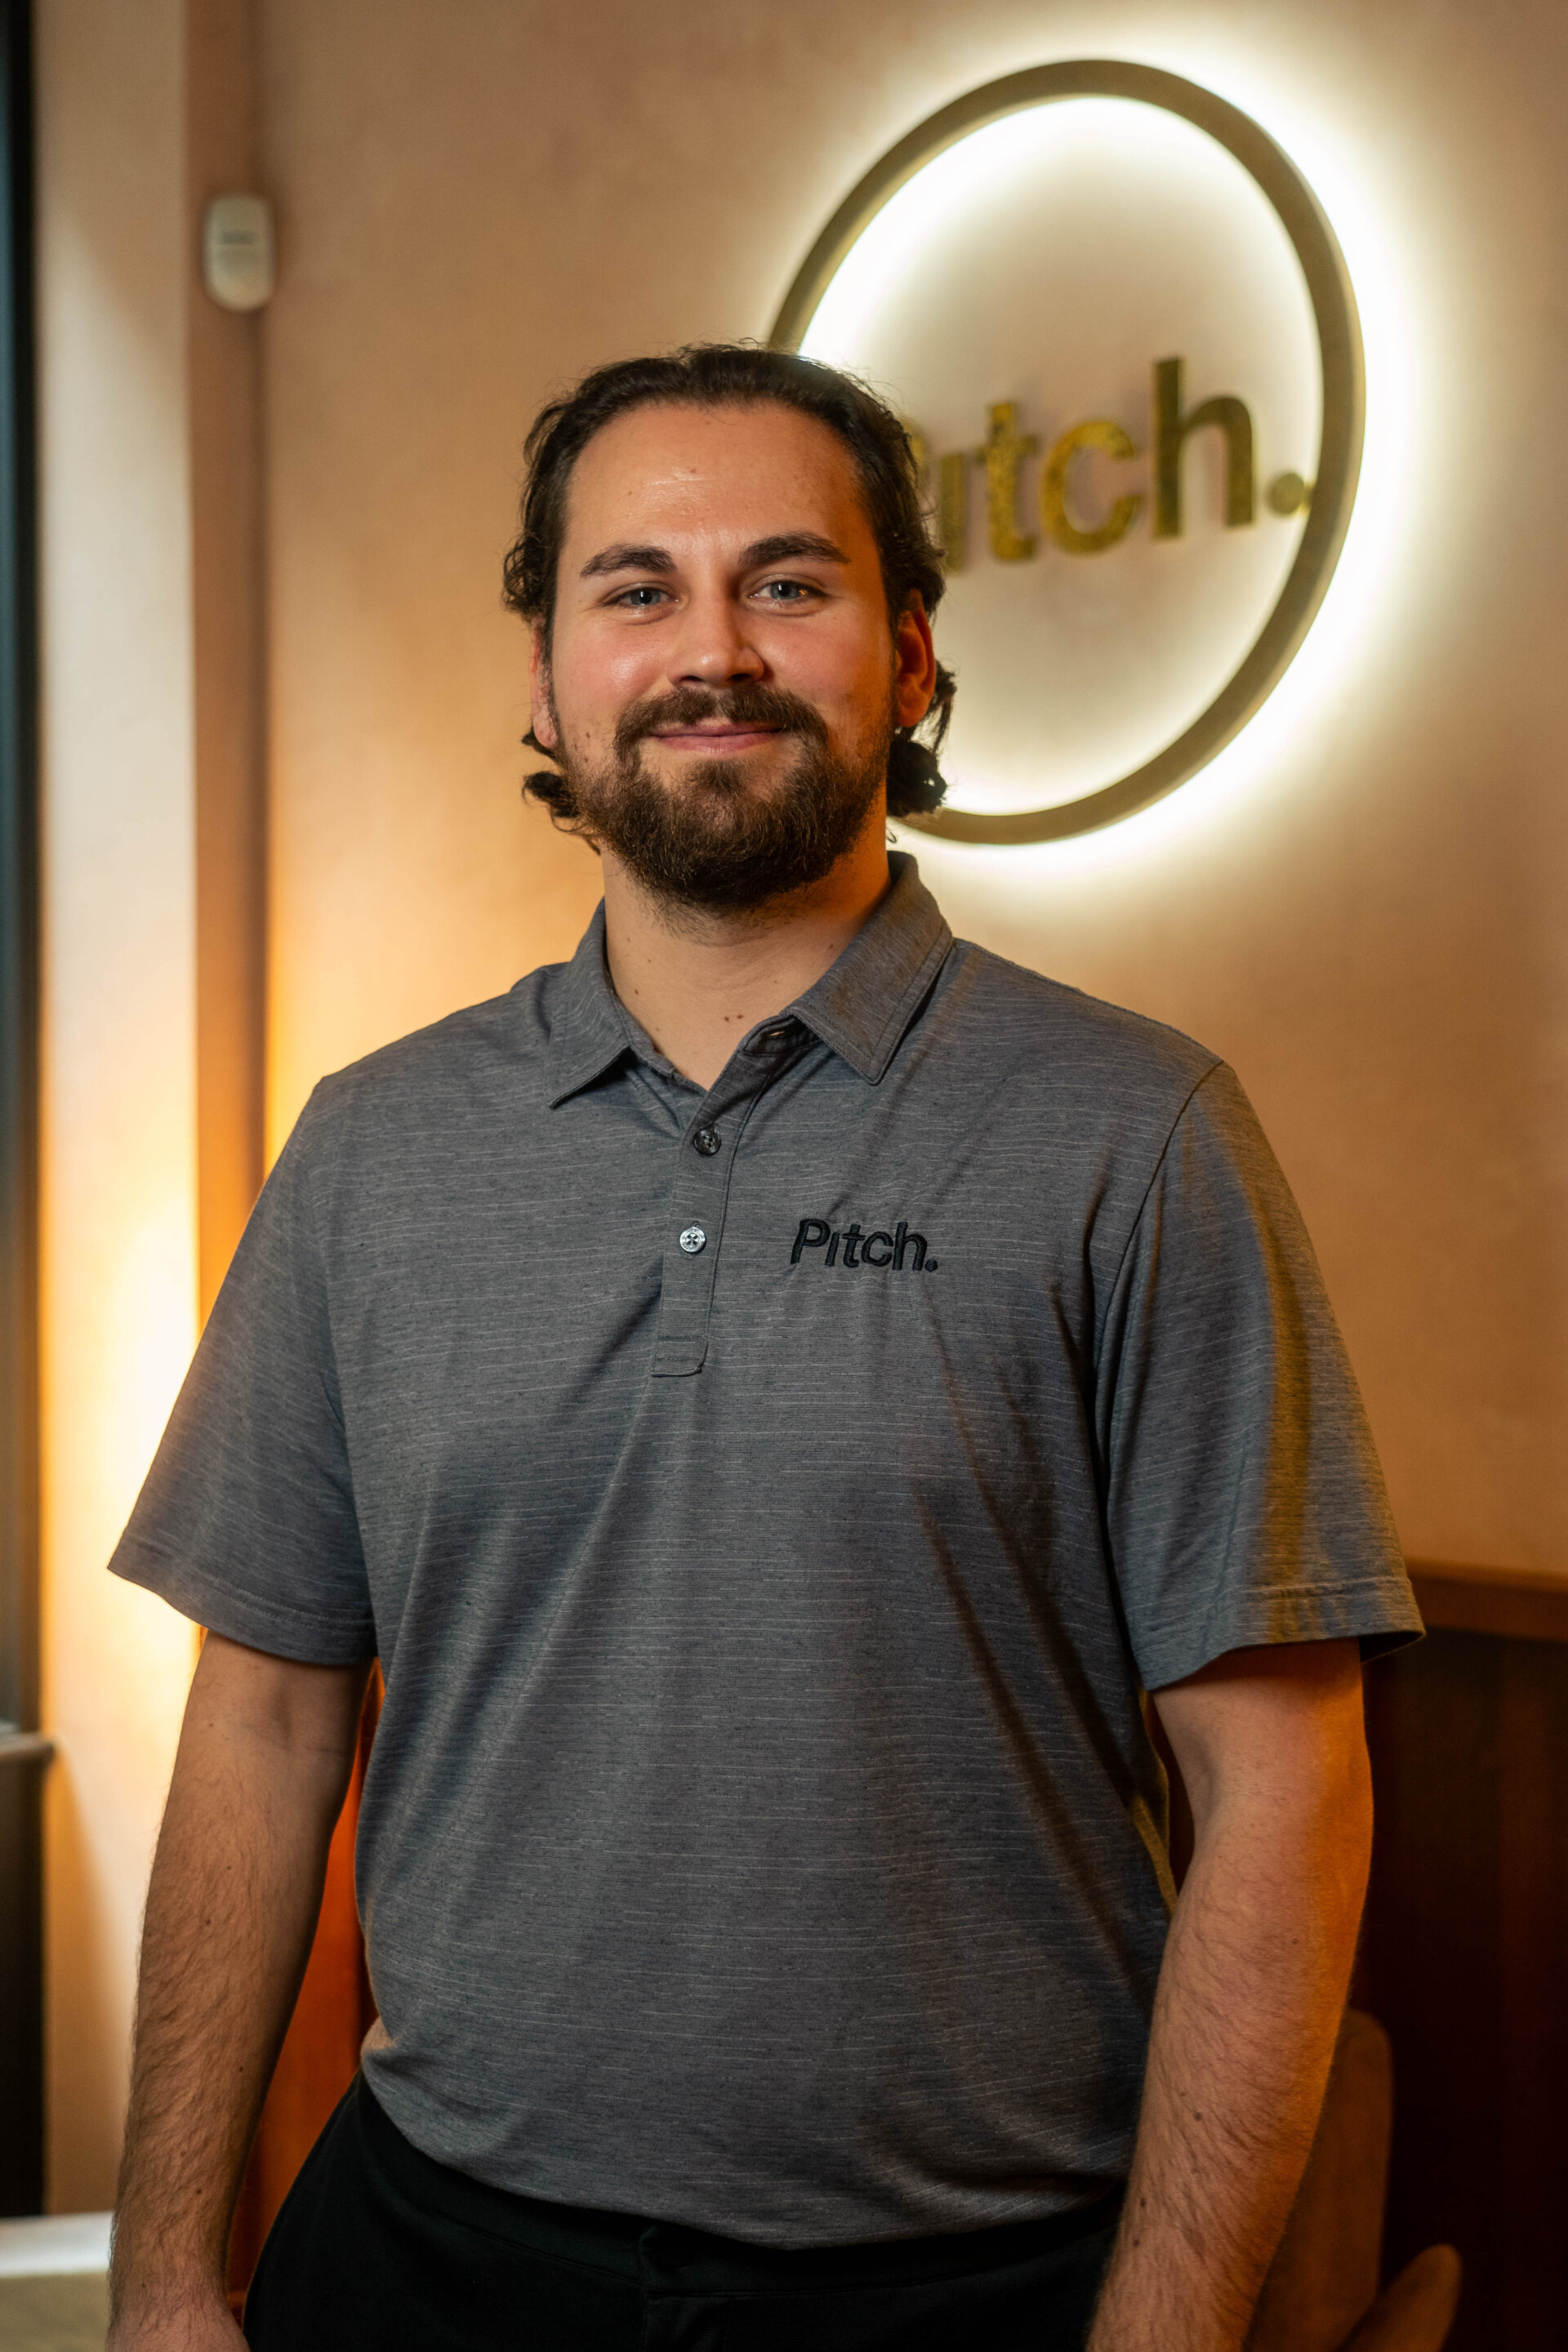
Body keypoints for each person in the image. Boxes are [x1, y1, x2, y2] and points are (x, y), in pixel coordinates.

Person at [105, 344, 1419, 2352]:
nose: (711, 649)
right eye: (636, 587)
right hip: (426, 2259)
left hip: (973, 2289)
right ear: (546, 680)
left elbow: (1284, 1790)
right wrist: (162, 2278)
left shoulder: (1135, 1135)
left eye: (787, 583)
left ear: (910, 658)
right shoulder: (373, 1149)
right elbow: (266, 1725)